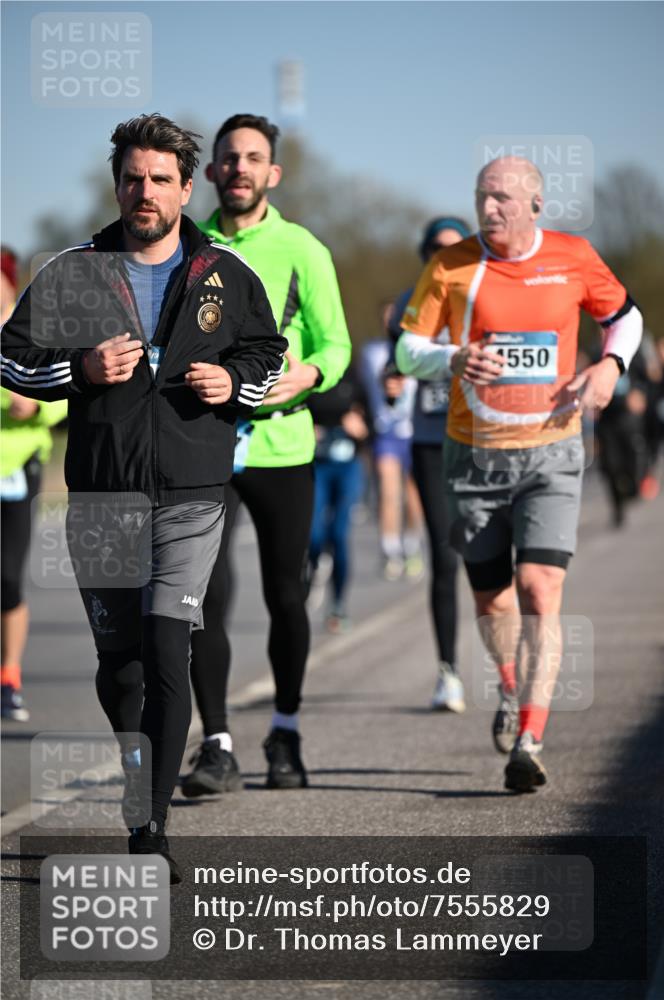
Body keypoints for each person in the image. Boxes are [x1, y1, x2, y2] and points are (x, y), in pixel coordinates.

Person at [1, 114, 287, 878]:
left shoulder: (223, 272)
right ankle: (140, 778)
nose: (146, 191)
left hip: (193, 491)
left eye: (161, 179)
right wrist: (78, 371)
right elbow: (13, 359)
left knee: (167, 645)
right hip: (100, 493)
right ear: (117, 183)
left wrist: (235, 383)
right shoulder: (73, 270)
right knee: (120, 665)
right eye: (133, 177)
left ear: (185, 188)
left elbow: (266, 354)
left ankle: (150, 823)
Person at [397, 156, 642, 792]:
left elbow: (625, 316)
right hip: (472, 454)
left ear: (535, 205)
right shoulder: (450, 265)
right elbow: (407, 349)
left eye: (503, 197)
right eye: (483, 195)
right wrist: (454, 357)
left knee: (538, 588)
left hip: (551, 451)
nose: (490, 207)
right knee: (492, 597)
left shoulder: (573, 256)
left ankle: (530, 739)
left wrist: (611, 367)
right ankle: (508, 685)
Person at [183, 114, 351, 798]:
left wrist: (307, 375)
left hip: (283, 442)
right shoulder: (186, 248)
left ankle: (284, 731)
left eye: (255, 157)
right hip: (205, 440)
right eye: (230, 158)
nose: (242, 168)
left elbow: (335, 345)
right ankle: (216, 744)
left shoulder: (303, 249)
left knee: (286, 594)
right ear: (212, 173)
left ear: (272, 173)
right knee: (201, 595)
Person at [387, 218, 471, 712]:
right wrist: (391, 385)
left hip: (484, 441)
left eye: (454, 248)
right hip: (430, 443)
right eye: (435, 249)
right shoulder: (406, 304)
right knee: (444, 558)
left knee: (491, 557)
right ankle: (449, 672)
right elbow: (392, 369)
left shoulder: (486, 297)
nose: (444, 256)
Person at [1, 248, 68, 720]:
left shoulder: (30, 328)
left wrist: (38, 407)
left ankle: (9, 676)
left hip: (17, 466)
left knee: (7, 577)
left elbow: (66, 391)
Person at [307, 366, 369, 632]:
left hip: (347, 468)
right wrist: (309, 430)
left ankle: (338, 605)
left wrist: (360, 430)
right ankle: (315, 568)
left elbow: (371, 429)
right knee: (314, 534)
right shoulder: (309, 377)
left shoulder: (354, 381)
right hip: (318, 466)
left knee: (339, 535)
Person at [359, 331, 424, 581]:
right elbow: (361, 386)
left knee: (413, 495)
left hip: (413, 432)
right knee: (388, 492)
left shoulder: (419, 350)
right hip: (386, 432)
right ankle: (390, 550)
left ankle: (411, 543)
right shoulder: (372, 352)